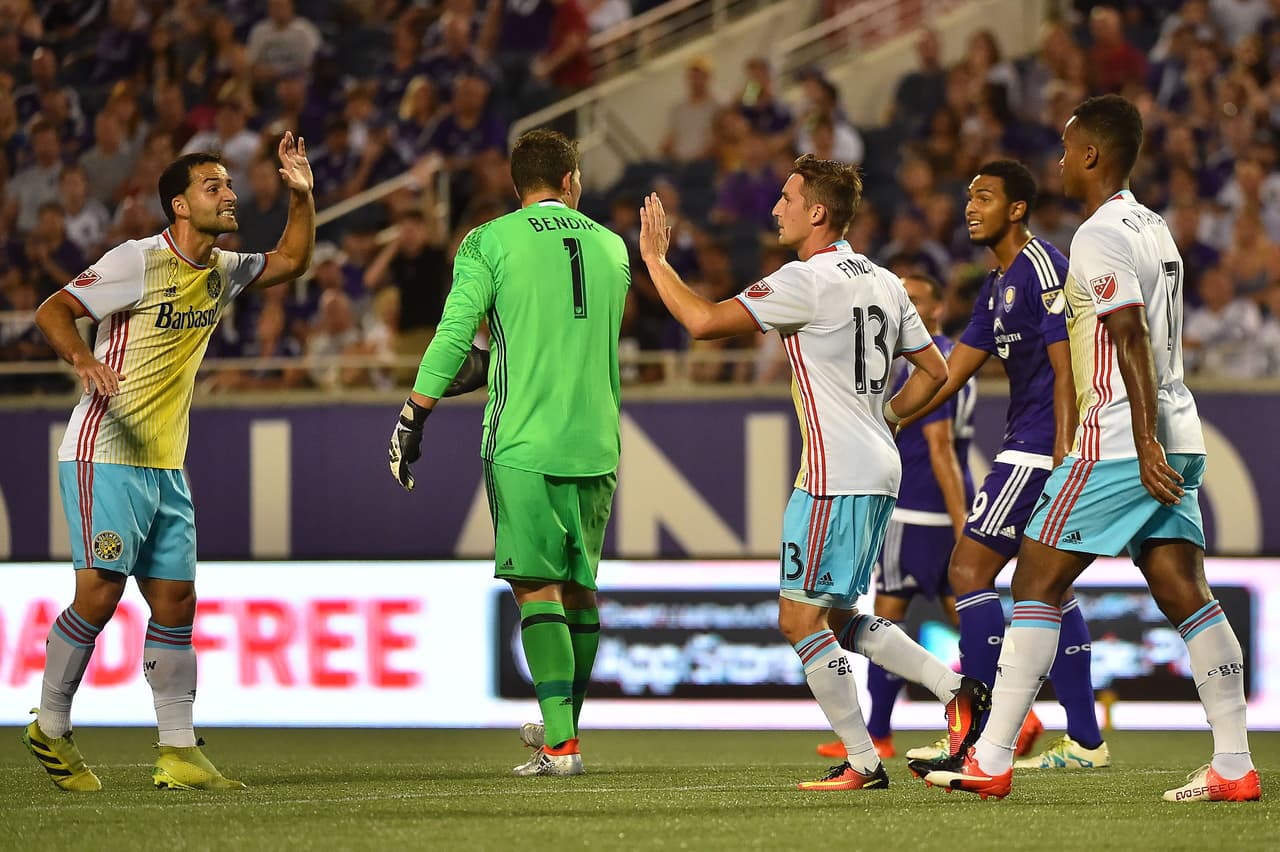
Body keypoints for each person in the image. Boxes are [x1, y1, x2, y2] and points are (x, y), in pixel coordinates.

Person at [915, 94, 1259, 802]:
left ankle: (991, 758)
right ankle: (1233, 765)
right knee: (1184, 591)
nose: (1061, 162)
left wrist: (1140, 437)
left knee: (1033, 582)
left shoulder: (1099, 233)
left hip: (1123, 440)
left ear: (1093, 155)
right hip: (1180, 432)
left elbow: (1129, 333)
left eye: (1069, 149)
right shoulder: (1153, 225)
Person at [637, 154, 990, 791]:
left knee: (798, 621)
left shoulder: (805, 280)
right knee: (833, 616)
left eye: (788, 199)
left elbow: (702, 321)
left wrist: (657, 262)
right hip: (874, 468)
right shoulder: (885, 280)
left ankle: (864, 760)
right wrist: (888, 419)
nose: (776, 209)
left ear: (818, 212)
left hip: (834, 475)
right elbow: (936, 371)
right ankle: (954, 690)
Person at [24, 134, 315, 792]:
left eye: (229, 185)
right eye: (214, 187)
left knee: (176, 601)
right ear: (180, 205)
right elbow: (53, 309)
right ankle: (51, 725)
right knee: (100, 593)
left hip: (164, 464)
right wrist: (82, 357)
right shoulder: (137, 260)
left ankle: (178, 750)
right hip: (104, 450)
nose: (230, 194)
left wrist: (301, 196)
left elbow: (294, 259)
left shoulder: (222, 270)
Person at [387, 129, 630, 778]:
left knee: (535, 587)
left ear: (518, 184)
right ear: (571, 181)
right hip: (598, 442)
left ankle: (563, 747)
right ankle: (562, 728)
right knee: (579, 591)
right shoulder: (612, 246)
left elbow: (454, 333)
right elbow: (569, 334)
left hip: (524, 439)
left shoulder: (488, 241)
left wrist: (415, 411)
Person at [899, 159, 1109, 771]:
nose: (971, 207)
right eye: (969, 197)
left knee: (968, 569)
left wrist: (1064, 453)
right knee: (1049, 588)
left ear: (1017, 209)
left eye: (985, 197)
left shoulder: (1043, 268)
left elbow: (1068, 366)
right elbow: (947, 373)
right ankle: (1086, 742)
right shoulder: (995, 286)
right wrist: (887, 416)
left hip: (1041, 448)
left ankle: (979, 732)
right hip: (1034, 442)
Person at [816, 272, 975, 762]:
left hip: (916, 512)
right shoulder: (956, 358)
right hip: (944, 511)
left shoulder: (924, 365)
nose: (906, 307)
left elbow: (939, 446)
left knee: (884, 614)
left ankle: (881, 732)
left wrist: (961, 522)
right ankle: (1005, 715)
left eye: (917, 300)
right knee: (965, 617)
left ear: (937, 308)